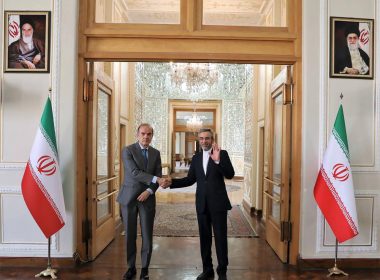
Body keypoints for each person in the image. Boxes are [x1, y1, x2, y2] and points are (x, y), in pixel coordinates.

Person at [165, 128, 235, 280]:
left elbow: (230, 174)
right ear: (199, 140)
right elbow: (190, 179)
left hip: (218, 204)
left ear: (212, 139)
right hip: (202, 204)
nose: (204, 141)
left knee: (220, 238)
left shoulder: (222, 154)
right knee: (204, 238)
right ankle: (207, 269)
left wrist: (217, 160)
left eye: (207, 138)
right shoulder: (196, 158)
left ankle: (222, 271)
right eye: (201, 138)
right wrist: (171, 183)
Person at [117, 123, 169, 280]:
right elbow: (134, 172)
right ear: (137, 134)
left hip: (147, 199)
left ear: (152, 135)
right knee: (130, 235)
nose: (146, 136)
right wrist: (157, 179)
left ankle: (145, 269)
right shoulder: (128, 150)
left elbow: (158, 173)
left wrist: (149, 190)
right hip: (129, 198)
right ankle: (131, 267)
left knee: (147, 234)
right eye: (143, 133)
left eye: (149, 134)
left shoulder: (156, 153)